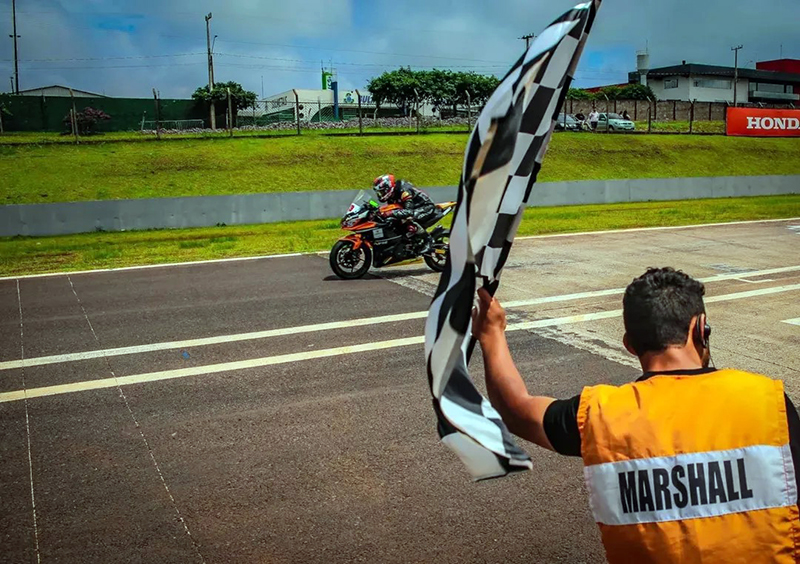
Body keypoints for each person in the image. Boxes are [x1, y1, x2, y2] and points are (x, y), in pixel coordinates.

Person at [471, 267, 800, 563]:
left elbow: (516, 409)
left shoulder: (599, 413)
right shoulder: (767, 399)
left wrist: (492, 334)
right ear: (702, 329)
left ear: (629, 344)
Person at [372, 174, 436, 254]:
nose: (380, 194)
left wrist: (391, 213)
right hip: (414, 208)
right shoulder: (392, 194)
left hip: (425, 207)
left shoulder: (404, 191)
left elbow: (408, 211)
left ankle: (428, 240)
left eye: (382, 191)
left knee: (410, 218)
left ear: (388, 188)